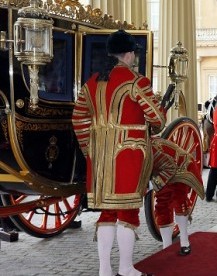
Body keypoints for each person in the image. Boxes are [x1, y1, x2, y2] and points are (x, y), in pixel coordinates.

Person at [72, 30, 166, 276]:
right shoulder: (137, 81)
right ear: (129, 53)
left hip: (99, 156)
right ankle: (125, 267)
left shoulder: (91, 81)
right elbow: (157, 119)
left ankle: (105, 269)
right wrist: (151, 125)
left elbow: (78, 118)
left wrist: (88, 147)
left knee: (107, 210)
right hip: (128, 155)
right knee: (127, 209)